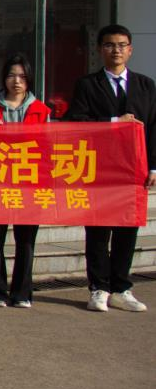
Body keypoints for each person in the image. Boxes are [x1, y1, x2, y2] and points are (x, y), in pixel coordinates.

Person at [64, 24, 156, 313]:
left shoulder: (146, 85)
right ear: (99, 49)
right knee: (98, 231)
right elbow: (75, 121)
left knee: (127, 230)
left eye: (121, 45)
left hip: (133, 171)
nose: (116, 50)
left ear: (130, 50)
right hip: (99, 170)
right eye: (109, 45)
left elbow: (154, 128)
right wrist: (115, 121)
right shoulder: (87, 85)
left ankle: (121, 288)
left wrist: (154, 167)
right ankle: (99, 288)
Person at [0, 53, 51, 308]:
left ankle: (22, 292)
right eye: (11, 75)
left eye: (21, 76)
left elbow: (47, 147)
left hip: (28, 183)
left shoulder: (41, 110)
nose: (16, 81)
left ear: (29, 79)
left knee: (26, 241)